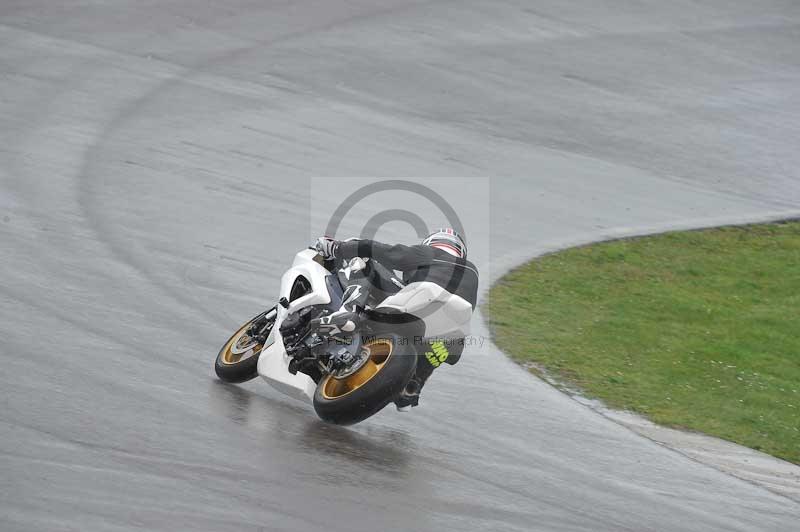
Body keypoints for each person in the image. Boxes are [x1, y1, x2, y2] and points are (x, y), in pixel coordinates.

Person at [314, 228, 479, 410]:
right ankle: (412, 386)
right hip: (447, 333)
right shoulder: (472, 273)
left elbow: (388, 253)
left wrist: (338, 248)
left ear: (433, 242)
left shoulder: (430, 253)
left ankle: (349, 312)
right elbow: (454, 356)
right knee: (438, 349)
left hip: (420, 303)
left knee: (364, 260)